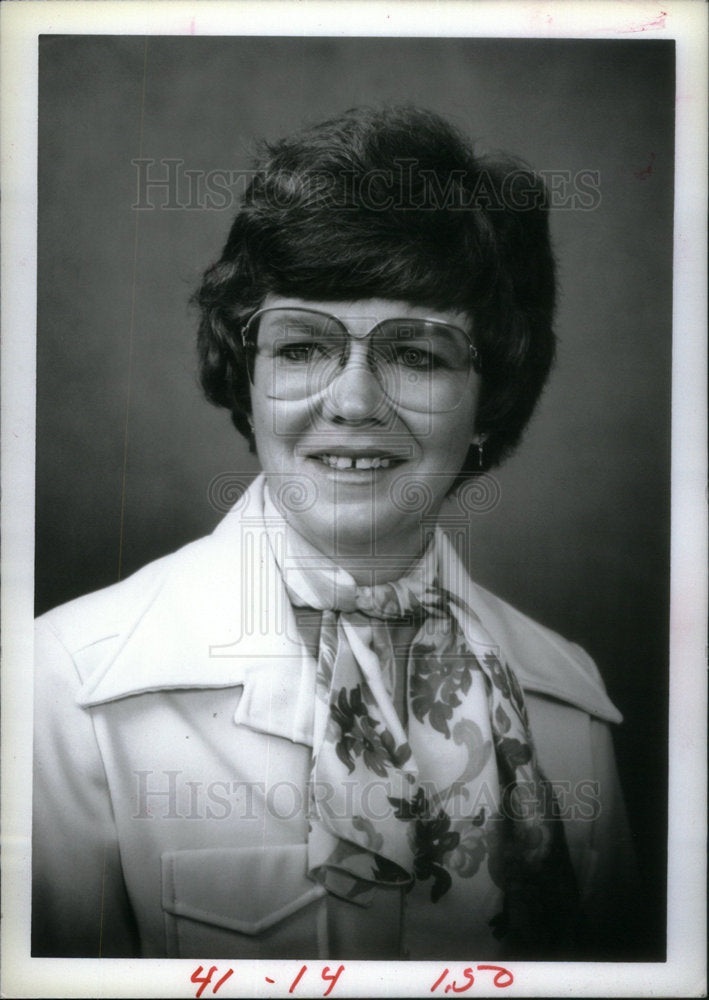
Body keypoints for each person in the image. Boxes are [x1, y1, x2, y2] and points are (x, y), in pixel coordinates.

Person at [32, 105, 637, 960]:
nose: (352, 403)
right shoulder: (68, 686)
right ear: (246, 378)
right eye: (303, 347)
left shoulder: (566, 701)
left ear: (488, 399)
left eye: (416, 354)